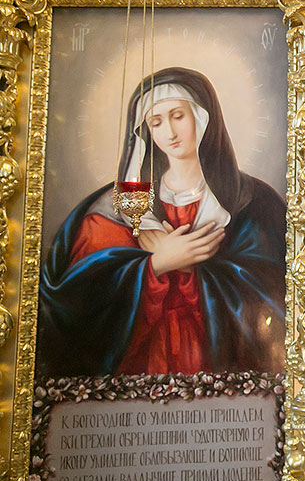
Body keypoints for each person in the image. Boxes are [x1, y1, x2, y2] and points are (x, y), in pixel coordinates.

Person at [38, 67, 287, 377]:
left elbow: (275, 293)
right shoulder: (120, 207)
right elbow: (74, 300)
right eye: (156, 122)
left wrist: (191, 270)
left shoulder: (252, 201)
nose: (169, 132)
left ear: (203, 118)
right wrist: (156, 265)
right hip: (138, 365)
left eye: (178, 116)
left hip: (215, 368)